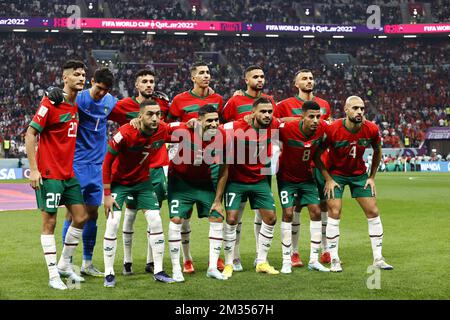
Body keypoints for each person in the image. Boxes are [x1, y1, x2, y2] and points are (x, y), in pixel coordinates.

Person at [25, 60, 88, 290]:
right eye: (77, 75)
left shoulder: (74, 105)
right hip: (50, 173)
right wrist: (34, 169)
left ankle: (63, 264)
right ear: (65, 78)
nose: (81, 78)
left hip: (68, 173)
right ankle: (54, 276)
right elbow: (30, 134)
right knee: (49, 222)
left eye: (83, 75)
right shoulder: (51, 102)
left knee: (81, 217)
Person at [314, 96, 393, 272]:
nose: (359, 112)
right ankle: (334, 259)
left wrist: (371, 177)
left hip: (358, 174)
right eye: (355, 108)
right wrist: (328, 178)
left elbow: (378, 151)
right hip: (336, 175)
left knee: (373, 211)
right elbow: (316, 155)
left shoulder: (371, 128)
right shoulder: (333, 129)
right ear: (346, 110)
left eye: (362, 108)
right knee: (335, 211)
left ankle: (378, 258)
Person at [102, 99, 174, 287]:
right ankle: (109, 273)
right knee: (113, 222)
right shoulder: (124, 133)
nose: (155, 118)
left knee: (156, 220)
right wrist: (107, 194)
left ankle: (158, 270)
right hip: (120, 184)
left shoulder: (162, 129)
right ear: (139, 116)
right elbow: (107, 163)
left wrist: (193, 124)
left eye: (158, 114)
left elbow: (181, 128)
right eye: (150, 114)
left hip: (143, 183)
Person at [108, 69, 170, 276]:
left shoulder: (162, 104)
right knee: (130, 213)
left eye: (152, 81)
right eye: (144, 81)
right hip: (128, 169)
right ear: (136, 85)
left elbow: (169, 127)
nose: (149, 85)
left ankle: (152, 262)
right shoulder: (123, 106)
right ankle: (127, 261)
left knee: (154, 216)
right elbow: (101, 112)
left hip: (155, 168)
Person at [57, 67, 116, 278]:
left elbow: (125, 114)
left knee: (93, 213)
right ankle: (66, 262)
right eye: (99, 88)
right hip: (78, 163)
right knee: (73, 213)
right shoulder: (79, 98)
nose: (101, 93)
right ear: (92, 81)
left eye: (105, 90)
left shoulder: (110, 101)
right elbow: (60, 99)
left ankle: (87, 263)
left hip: (98, 165)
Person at [167, 62, 224, 274]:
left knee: (215, 213)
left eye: (208, 72)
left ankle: (215, 259)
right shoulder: (180, 100)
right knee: (184, 215)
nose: (206, 76)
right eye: (201, 73)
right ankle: (187, 258)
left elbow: (222, 125)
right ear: (193, 77)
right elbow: (169, 125)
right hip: (185, 159)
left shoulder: (218, 99)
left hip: (208, 163)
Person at [220, 65, 277, 272]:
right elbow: (222, 123)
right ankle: (233, 257)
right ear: (246, 79)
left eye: (262, 76)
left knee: (263, 215)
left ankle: (259, 258)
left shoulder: (270, 101)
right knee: (236, 214)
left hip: (262, 168)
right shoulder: (235, 101)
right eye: (255, 76)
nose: (260, 79)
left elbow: (278, 125)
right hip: (237, 168)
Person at [274, 69, 333, 266]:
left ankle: (325, 250)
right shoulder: (284, 105)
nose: (309, 81)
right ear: (296, 83)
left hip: (318, 160)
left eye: (311, 78)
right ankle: (295, 252)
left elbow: (328, 128)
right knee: (295, 206)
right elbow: (275, 124)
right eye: (304, 78)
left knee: (322, 206)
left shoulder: (323, 104)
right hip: (294, 162)